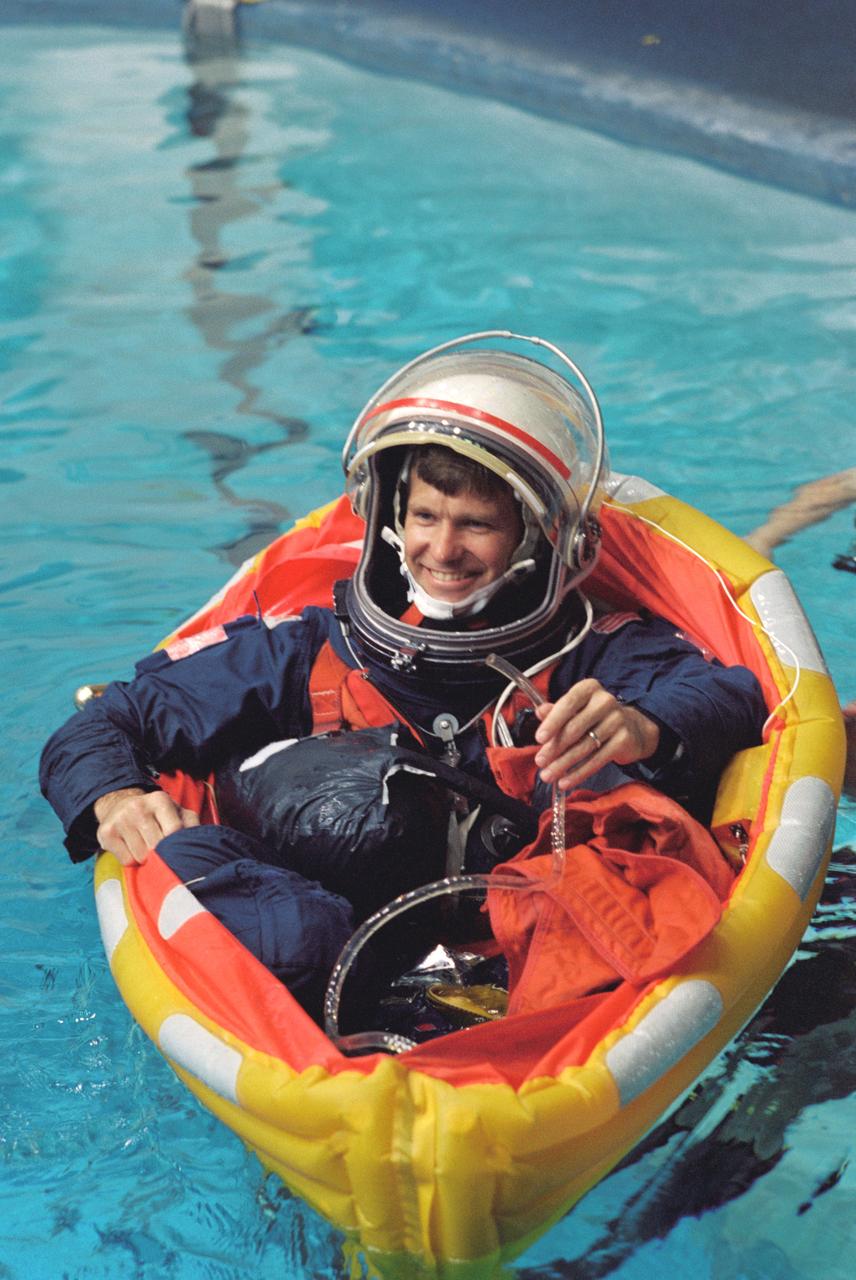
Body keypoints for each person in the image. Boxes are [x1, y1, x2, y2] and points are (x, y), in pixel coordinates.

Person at [40, 332, 767, 1019]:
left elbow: (730, 692)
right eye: (425, 516)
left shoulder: (590, 652)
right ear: (387, 515)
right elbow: (104, 723)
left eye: (475, 524)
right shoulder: (308, 651)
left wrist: (645, 727)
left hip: (518, 960)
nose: (440, 550)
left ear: (543, 536)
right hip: (327, 943)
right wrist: (114, 800)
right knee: (273, 910)